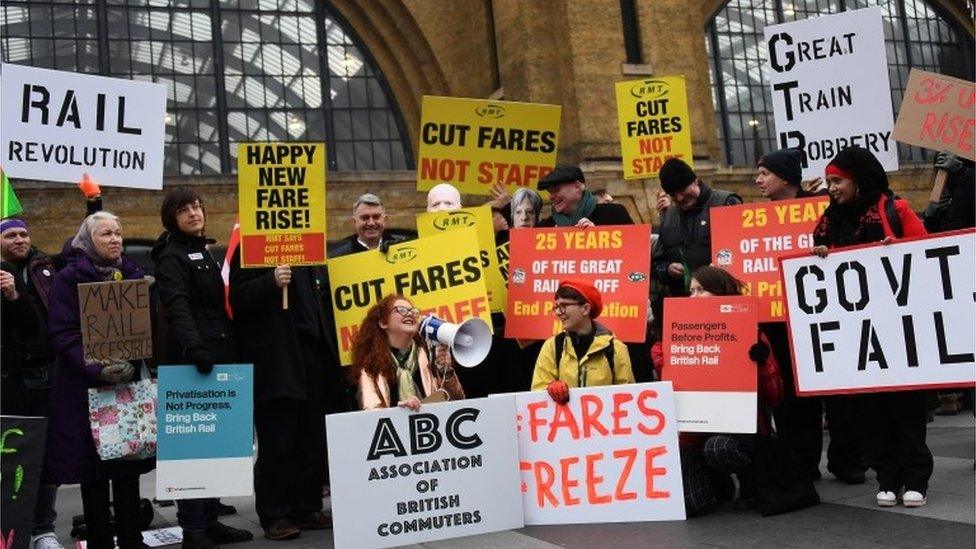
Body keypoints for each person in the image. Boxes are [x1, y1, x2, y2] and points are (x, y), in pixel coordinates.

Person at [810, 146, 932, 508]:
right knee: (869, 412)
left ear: (858, 180)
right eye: (829, 181)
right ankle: (887, 477)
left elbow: (925, 254)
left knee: (906, 409)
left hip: (897, 332)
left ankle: (915, 479)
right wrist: (817, 255)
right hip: (856, 339)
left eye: (838, 180)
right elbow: (813, 273)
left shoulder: (897, 210)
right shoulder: (827, 222)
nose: (831, 188)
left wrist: (897, 249)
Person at [151, 188, 254, 549]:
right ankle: (193, 528)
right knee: (194, 447)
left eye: (197, 206)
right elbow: (177, 307)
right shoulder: (171, 257)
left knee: (216, 443)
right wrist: (195, 347)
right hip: (195, 360)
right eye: (185, 209)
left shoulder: (202, 250)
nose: (194, 213)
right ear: (172, 217)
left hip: (220, 352)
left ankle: (210, 521)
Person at [45, 212, 154, 549]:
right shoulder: (67, 279)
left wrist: (146, 298)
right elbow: (63, 334)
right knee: (93, 475)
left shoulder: (132, 273)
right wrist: (98, 368)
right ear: (88, 239)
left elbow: (141, 330)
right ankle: (101, 541)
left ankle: (132, 539)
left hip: (125, 387)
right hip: (84, 390)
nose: (115, 239)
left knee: (127, 467)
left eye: (119, 233)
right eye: (106, 233)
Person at [753, 148, 860, 484]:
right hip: (778, 322)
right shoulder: (753, 220)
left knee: (836, 393)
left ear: (785, 177)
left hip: (820, 316)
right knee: (789, 398)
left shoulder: (822, 209)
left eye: (765, 173)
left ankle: (847, 461)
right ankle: (802, 463)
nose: (758, 180)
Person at [230, 241, 346, 539]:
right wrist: (271, 281)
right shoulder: (252, 247)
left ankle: (306, 506)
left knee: (312, 436)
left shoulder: (309, 248)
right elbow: (238, 298)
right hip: (277, 358)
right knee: (279, 438)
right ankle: (275, 514)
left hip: (314, 353)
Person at [651, 266, 784, 516]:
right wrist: (664, 361)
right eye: (691, 291)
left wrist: (762, 364)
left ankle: (750, 480)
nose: (694, 297)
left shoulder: (750, 334)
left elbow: (775, 396)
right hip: (694, 433)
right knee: (692, 505)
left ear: (722, 293)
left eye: (702, 290)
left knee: (718, 448)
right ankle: (717, 480)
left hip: (741, 432)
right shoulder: (674, 335)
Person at [351, 295, 465, 410]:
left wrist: (446, 372)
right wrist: (401, 412)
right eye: (401, 310)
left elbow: (458, 401)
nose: (410, 314)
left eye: (413, 311)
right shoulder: (370, 368)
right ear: (383, 323)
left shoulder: (428, 354)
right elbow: (370, 413)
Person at [531, 280, 633, 401]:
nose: (558, 312)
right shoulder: (552, 346)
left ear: (585, 309)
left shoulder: (616, 348)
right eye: (556, 307)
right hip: (564, 420)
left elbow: (628, 397)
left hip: (602, 419)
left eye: (563, 306)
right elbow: (537, 394)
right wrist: (548, 389)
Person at [653, 158, 742, 297]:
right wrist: (667, 269)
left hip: (723, 300)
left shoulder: (725, 202)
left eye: (683, 190)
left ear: (695, 181)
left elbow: (745, 250)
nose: (680, 198)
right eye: (673, 194)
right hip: (684, 303)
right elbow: (658, 263)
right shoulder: (668, 217)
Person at [536, 165, 633, 227]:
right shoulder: (545, 227)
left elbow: (635, 253)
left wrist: (597, 236)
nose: (551, 197)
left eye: (556, 190)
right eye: (549, 192)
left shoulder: (615, 214)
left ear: (577, 187)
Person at [330, 193, 399, 256]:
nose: (371, 223)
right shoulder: (339, 257)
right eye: (365, 218)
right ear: (354, 221)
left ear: (384, 220)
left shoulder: (400, 250)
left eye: (376, 217)